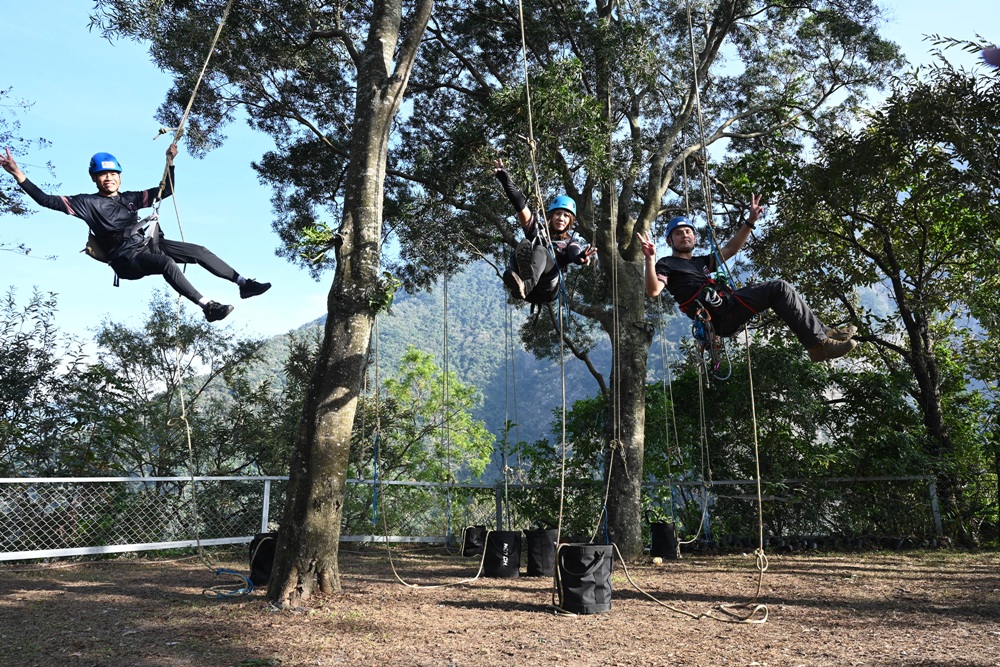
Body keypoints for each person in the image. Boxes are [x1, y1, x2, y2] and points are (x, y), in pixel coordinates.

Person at [0, 144, 270, 322]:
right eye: (102, 175)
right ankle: (208, 307)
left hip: (149, 245)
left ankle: (243, 284)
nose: (109, 178)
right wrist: (18, 174)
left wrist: (170, 162)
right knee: (166, 263)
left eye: (113, 174)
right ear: (94, 178)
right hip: (126, 259)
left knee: (199, 251)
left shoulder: (130, 198)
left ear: (119, 175)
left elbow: (167, 190)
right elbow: (45, 200)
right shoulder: (87, 203)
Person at [637, 195, 857, 362]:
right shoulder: (666, 264)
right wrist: (649, 258)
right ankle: (819, 346)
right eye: (678, 233)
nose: (684, 235)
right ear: (670, 241)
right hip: (718, 317)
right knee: (778, 288)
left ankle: (823, 334)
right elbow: (653, 291)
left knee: (781, 290)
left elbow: (731, 248)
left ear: (694, 237)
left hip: (728, 306)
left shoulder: (700, 262)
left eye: (688, 232)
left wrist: (750, 221)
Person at [493, 159, 596, 303]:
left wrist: (580, 258)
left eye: (566, 216)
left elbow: (574, 252)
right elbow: (520, 206)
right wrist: (505, 180)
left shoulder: (570, 242)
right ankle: (519, 280)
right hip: (529, 292)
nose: (561, 218)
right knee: (524, 244)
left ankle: (524, 286)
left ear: (570, 221)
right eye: (558, 213)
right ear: (551, 216)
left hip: (548, 289)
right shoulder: (538, 232)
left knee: (541, 250)